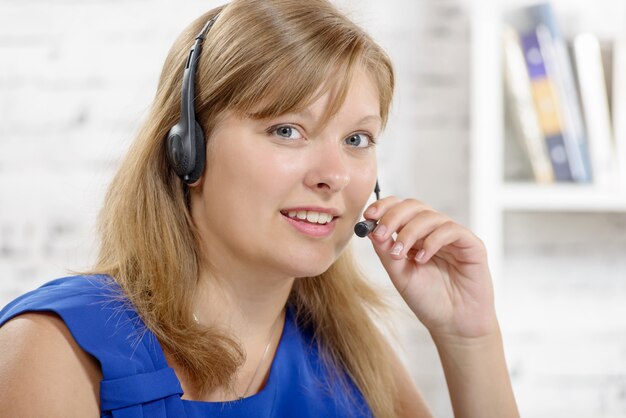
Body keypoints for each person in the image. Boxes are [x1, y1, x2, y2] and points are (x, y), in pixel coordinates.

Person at [0, 0, 520, 417]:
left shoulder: (352, 357)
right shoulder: (52, 351)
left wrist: (468, 338)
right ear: (188, 149)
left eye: (357, 138)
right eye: (287, 130)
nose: (333, 174)